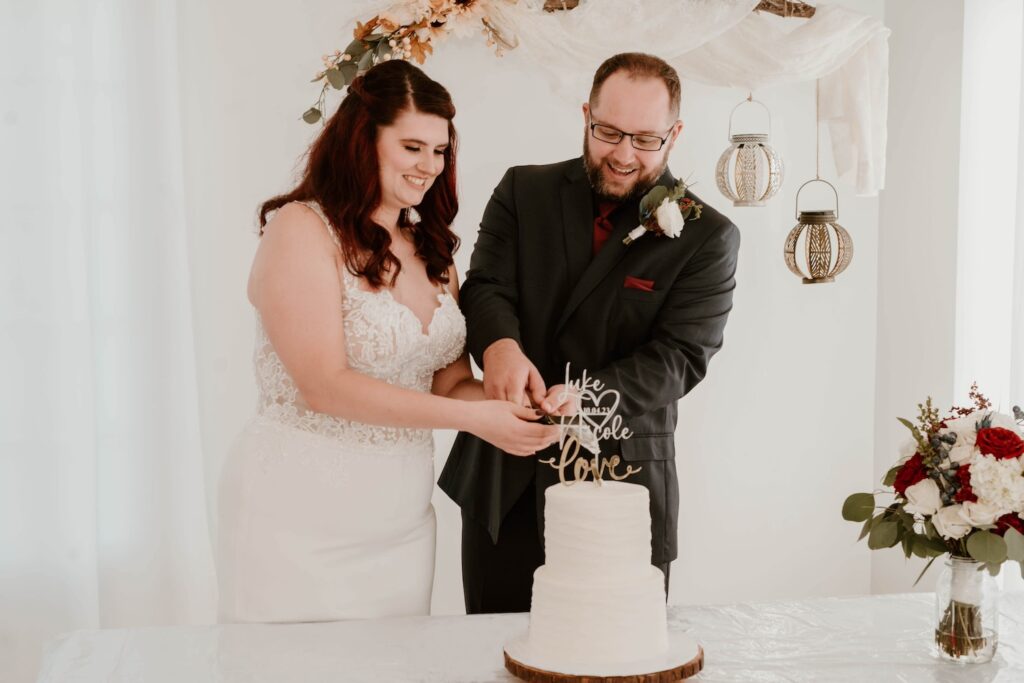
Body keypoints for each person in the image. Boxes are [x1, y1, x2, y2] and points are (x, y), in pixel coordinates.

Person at [216, 60, 564, 623]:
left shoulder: (432, 250)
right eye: (412, 147)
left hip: (401, 522)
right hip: (298, 514)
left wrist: (520, 408)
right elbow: (325, 385)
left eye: (441, 150)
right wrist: (478, 422)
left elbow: (450, 381)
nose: (430, 166)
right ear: (363, 140)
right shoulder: (300, 230)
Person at [439, 52, 741, 613]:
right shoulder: (522, 190)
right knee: (491, 652)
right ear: (585, 115)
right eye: (608, 132)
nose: (624, 154)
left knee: (616, 655)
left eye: (646, 139)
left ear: (674, 134)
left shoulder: (709, 237)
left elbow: (680, 357)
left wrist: (588, 399)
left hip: (620, 481)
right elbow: (485, 288)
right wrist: (500, 348)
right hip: (503, 476)